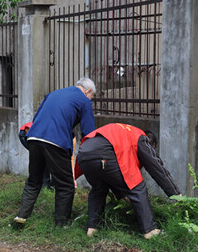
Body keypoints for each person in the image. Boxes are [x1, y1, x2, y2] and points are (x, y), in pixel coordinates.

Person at [75, 123, 182, 239]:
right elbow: (156, 168)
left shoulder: (126, 133)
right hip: (103, 153)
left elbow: (111, 173)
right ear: (150, 143)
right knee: (137, 187)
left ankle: (93, 229)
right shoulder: (141, 138)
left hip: (83, 154)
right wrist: (175, 194)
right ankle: (150, 230)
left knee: (98, 190)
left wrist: (122, 192)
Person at [14, 77, 96, 227]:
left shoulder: (53, 94)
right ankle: (61, 223)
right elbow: (88, 133)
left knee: (33, 181)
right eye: (92, 96)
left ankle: (21, 216)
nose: (91, 99)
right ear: (88, 91)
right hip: (56, 141)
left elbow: (38, 117)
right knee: (65, 185)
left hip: (33, 137)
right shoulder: (84, 101)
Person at [19, 122, 52, 188]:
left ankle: (44, 184)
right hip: (26, 133)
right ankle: (40, 184)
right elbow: (27, 130)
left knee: (42, 159)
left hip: (30, 133)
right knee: (40, 158)